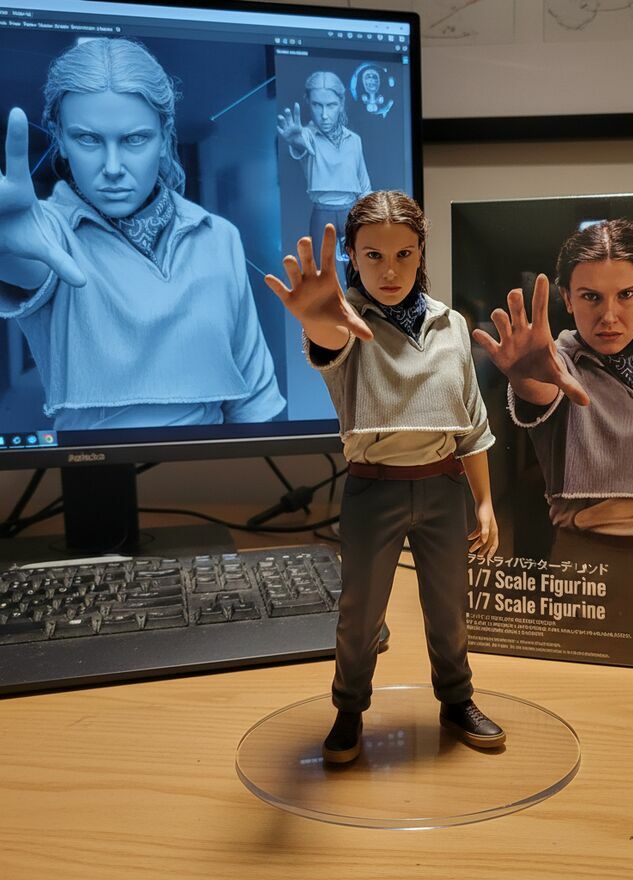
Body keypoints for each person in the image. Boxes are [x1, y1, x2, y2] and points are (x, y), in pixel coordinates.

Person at [265, 190, 504, 764]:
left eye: (403, 254)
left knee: (449, 607)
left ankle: (457, 698)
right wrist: (319, 320)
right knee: (362, 613)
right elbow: (330, 343)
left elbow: (471, 421)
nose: (390, 270)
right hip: (375, 487)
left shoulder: (450, 324)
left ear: (421, 252)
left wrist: (485, 501)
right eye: (373, 255)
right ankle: (349, 708)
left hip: (444, 485)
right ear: (351, 255)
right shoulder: (346, 319)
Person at [0, 38, 285, 430]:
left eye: (134, 139)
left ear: (164, 136)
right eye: (88, 139)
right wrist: (5, 250)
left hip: (214, 462)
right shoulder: (48, 232)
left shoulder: (220, 237)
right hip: (95, 465)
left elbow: (255, 404)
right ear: (60, 139)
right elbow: (27, 263)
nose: (112, 167)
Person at [473, 218, 633, 566]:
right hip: (581, 566)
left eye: (626, 294)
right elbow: (542, 391)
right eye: (591, 297)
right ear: (567, 298)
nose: (609, 316)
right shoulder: (557, 364)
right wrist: (525, 379)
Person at [277, 71, 371, 259]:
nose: (324, 115)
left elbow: (364, 184)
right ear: (308, 102)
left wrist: (372, 218)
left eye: (331, 105)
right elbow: (301, 145)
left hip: (351, 211)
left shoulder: (354, 140)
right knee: (321, 268)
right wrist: (295, 141)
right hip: (322, 213)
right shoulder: (307, 135)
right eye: (317, 105)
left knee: (357, 267)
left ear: (341, 104)